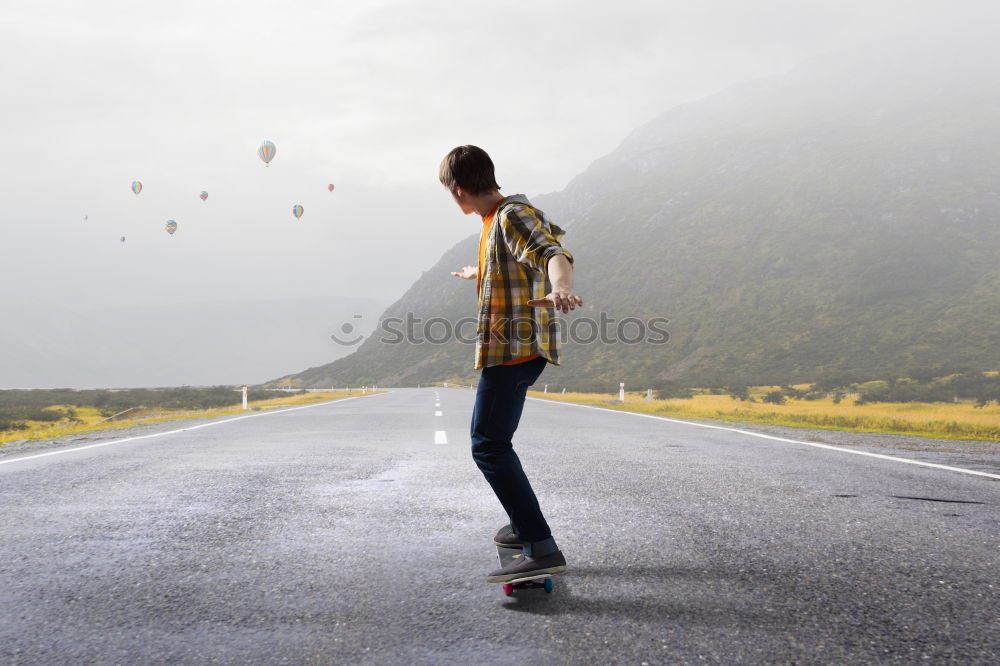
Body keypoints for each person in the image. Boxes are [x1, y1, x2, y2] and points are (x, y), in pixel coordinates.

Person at [440, 145, 582, 583]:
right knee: (496, 441)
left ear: (458, 190)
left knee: (488, 445)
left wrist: (560, 287)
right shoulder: (494, 221)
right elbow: (515, 264)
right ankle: (523, 527)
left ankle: (540, 545)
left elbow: (551, 252)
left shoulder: (512, 215)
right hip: (514, 347)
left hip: (514, 348)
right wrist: (477, 273)